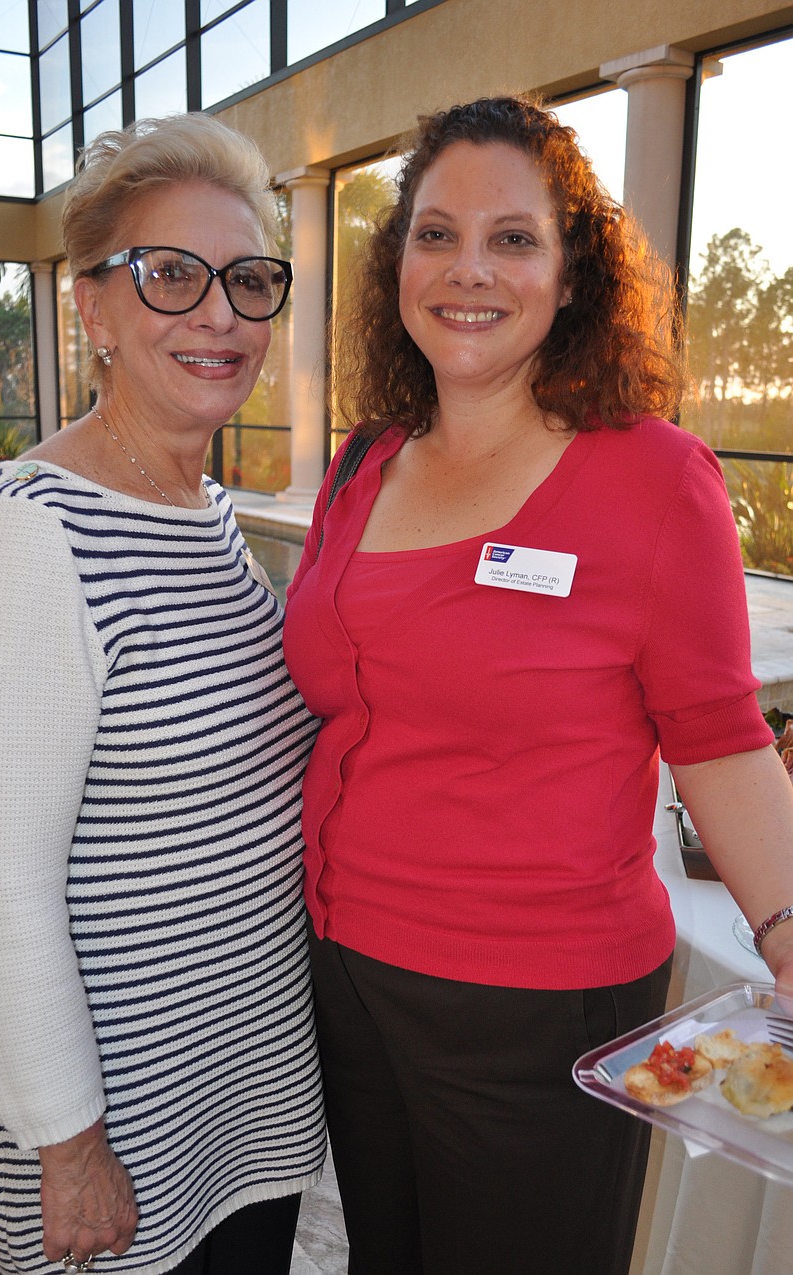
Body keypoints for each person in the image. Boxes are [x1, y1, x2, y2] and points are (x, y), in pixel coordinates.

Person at [282, 95, 793, 1275]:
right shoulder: (364, 460)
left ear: (571, 279)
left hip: (535, 1000)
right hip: (346, 971)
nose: (468, 269)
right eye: (436, 234)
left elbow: (720, 743)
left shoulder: (651, 478)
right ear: (398, 264)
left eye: (512, 238)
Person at [0, 114, 325, 1275]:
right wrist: (68, 1145)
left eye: (248, 280)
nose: (219, 315)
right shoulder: (34, 529)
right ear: (94, 310)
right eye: (170, 274)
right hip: (117, 1128)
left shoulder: (202, 512)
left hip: (234, 1092)